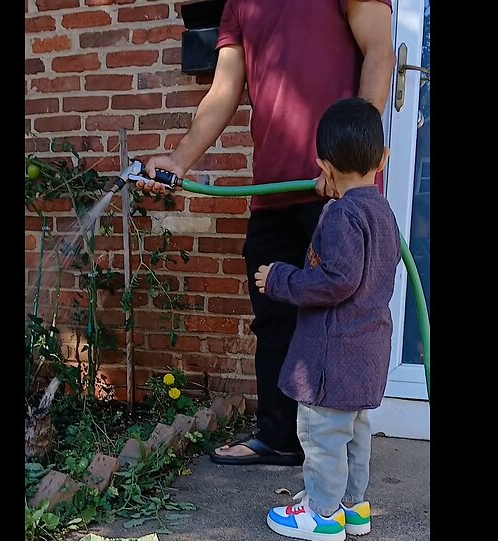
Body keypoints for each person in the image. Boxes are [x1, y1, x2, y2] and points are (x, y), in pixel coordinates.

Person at [134, 0, 394, 466]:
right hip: (273, 190)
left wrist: (351, 162)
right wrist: (180, 159)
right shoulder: (240, 4)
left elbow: (379, 51)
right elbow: (223, 90)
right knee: (273, 316)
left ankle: (337, 454)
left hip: (335, 191)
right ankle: (280, 439)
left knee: (336, 320)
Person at [251, 97, 399, 541]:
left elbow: (334, 281)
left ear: (323, 166)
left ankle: (321, 514)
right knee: (354, 432)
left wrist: (279, 278)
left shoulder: (341, 216)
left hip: (332, 358)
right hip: (367, 352)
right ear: (384, 159)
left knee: (321, 434)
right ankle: (353, 507)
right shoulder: (382, 212)